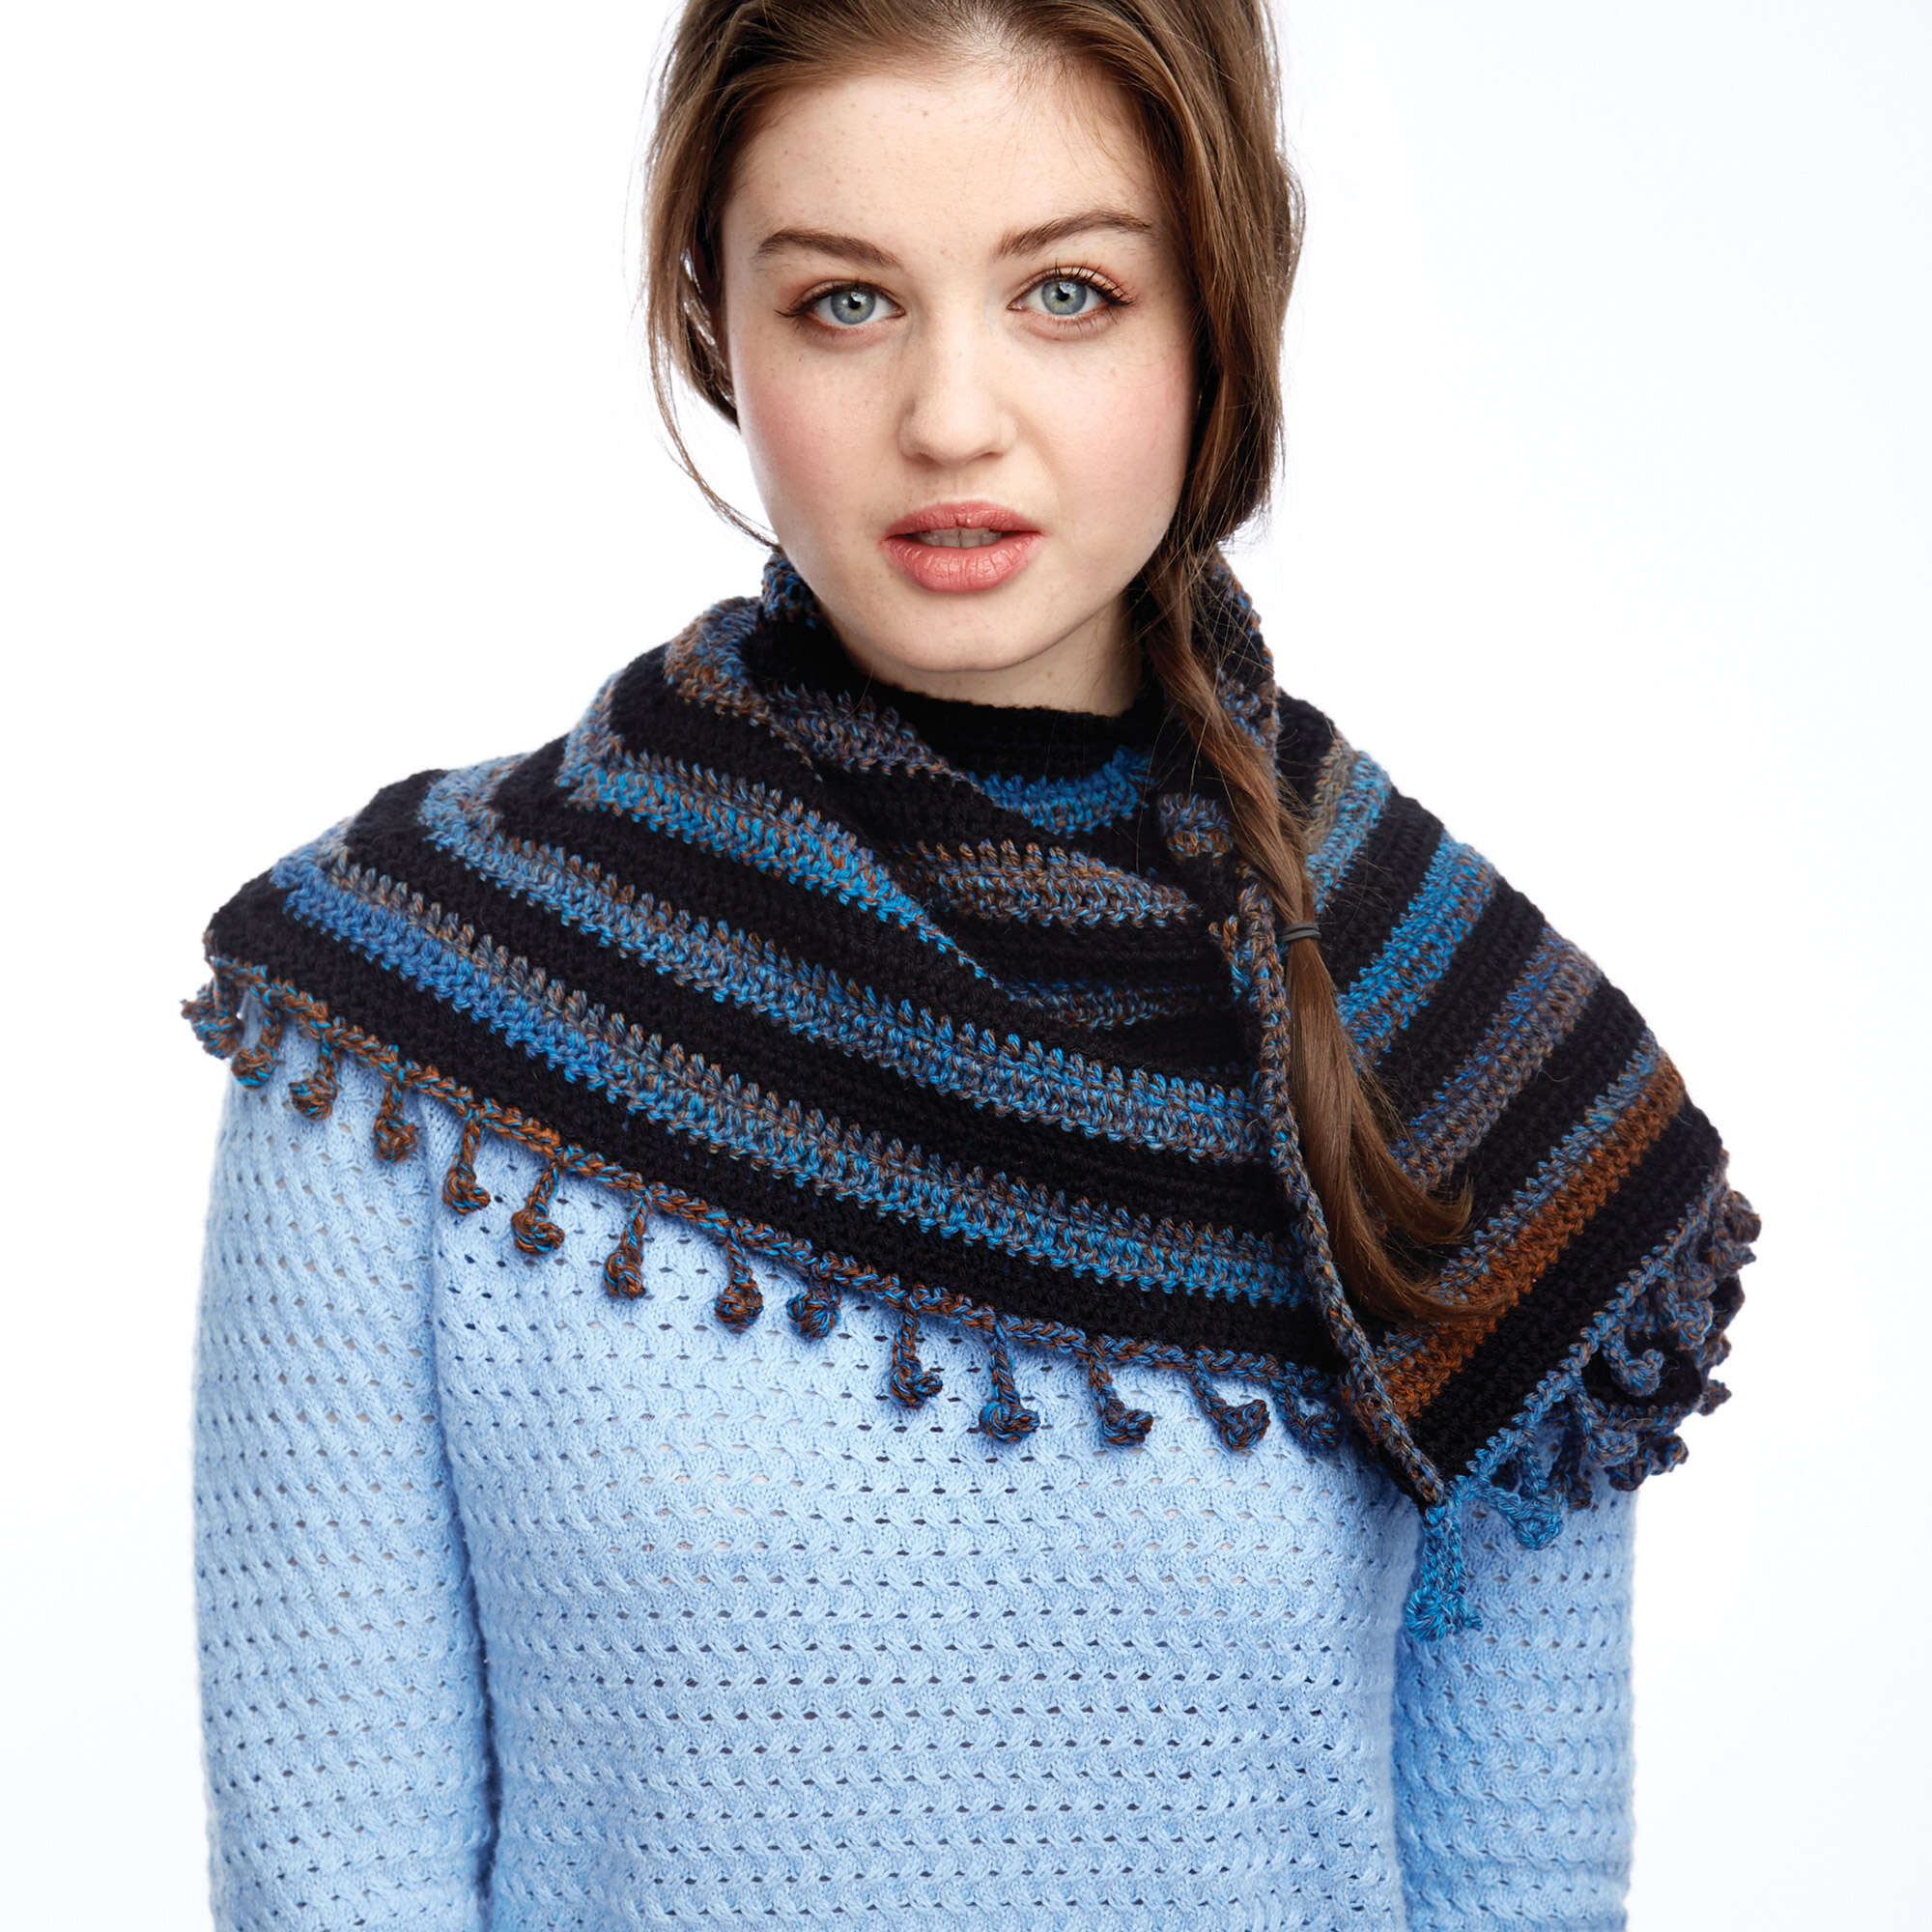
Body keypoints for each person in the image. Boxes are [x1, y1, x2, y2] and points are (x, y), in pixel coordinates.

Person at [184, 3, 1758, 1926]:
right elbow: (333, 1883)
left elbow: (1514, 1885)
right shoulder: (406, 1016)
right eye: (844, 301)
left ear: (1218, 315)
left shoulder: (1469, 1058)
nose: (949, 415)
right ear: (716, 324)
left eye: (1067, 294)